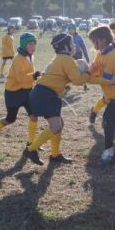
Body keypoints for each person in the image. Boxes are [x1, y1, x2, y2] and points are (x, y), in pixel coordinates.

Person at [24, 34, 90, 165]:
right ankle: (31, 150)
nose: (74, 46)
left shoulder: (60, 58)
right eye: (72, 44)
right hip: (46, 94)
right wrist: (87, 72)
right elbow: (78, 80)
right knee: (56, 126)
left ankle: (55, 155)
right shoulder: (66, 59)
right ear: (65, 47)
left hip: (44, 93)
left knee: (59, 125)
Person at [86, 26, 115, 164]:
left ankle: (108, 151)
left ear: (103, 40)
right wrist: (85, 71)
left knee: (107, 120)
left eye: (95, 41)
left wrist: (85, 78)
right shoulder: (101, 53)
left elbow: (106, 79)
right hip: (113, 96)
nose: (94, 44)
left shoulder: (112, 57)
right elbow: (93, 69)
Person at [0, 33, 39, 147]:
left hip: (27, 91)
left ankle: (31, 143)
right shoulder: (18, 58)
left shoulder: (31, 56)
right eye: (30, 44)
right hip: (13, 93)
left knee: (34, 116)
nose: (33, 46)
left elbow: (29, 75)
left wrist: (37, 78)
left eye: (34, 43)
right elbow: (20, 78)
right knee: (10, 119)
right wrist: (34, 76)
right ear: (24, 45)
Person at [68, 23, 90, 90]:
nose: (71, 31)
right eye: (70, 29)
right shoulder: (66, 37)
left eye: (72, 29)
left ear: (75, 30)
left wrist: (86, 56)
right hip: (70, 55)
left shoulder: (79, 37)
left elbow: (83, 47)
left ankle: (84, 84)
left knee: (81, 69)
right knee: (69, 70)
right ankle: (67, 85)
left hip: (78, 55)